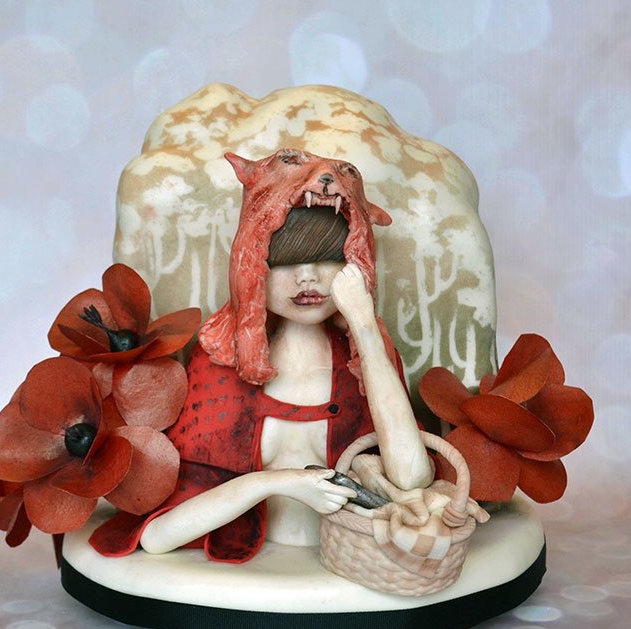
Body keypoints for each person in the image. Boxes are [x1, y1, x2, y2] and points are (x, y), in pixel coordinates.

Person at [89, 150, 434, 562]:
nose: (307, 277)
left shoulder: (364, 364)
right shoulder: (222, 364)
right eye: (284, 260)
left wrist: (363, 324)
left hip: (351, 561)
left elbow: (412, 477)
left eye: (329, 257)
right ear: (252, 263)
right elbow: (159, 536)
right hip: (256, 569)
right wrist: (277, 483)